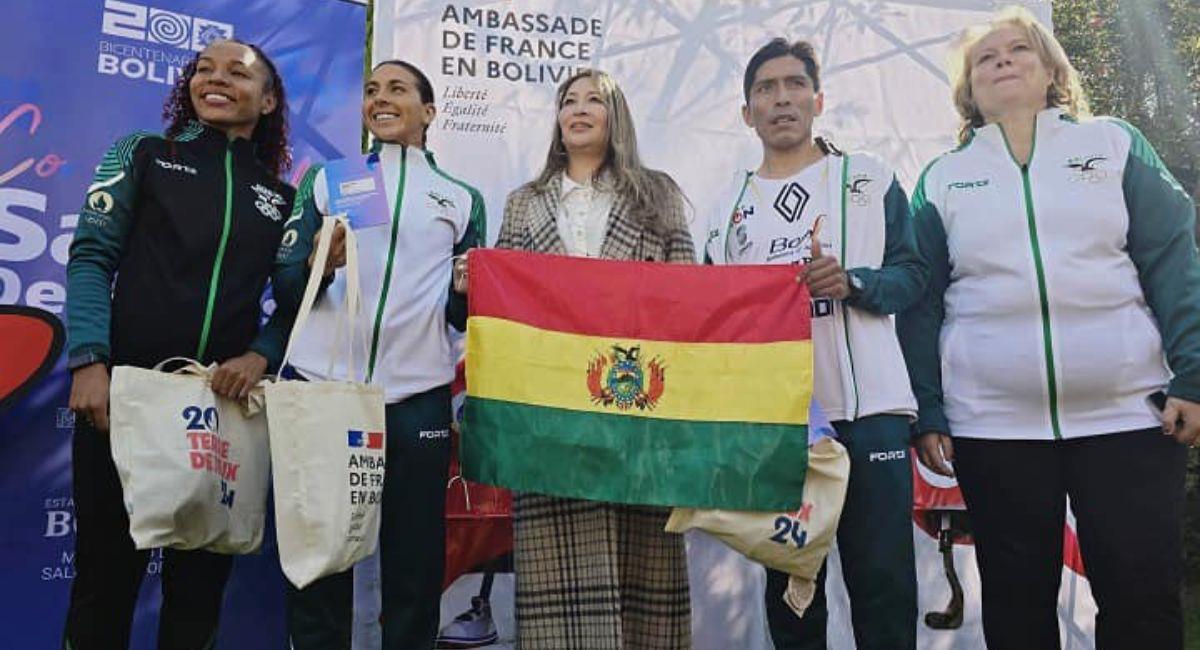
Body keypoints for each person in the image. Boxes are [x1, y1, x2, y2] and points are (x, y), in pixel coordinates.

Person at [898, 7, 1200, 649]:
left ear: (1052, 72)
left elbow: (1173, 259)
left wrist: (1194, 372)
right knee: (1015, 609)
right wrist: (929, 409)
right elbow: (922, 301)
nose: (1003, 61)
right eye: (986, 58)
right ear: (969, 90)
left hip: (1129, 419)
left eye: (1018, 50)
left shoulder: (1114, 143)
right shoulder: (942, 179)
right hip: (993, 427)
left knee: (1142, 601)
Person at [64, 39, 298, 649]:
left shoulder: (282, 198)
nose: (215, 79)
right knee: (104, 583)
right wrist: (90, 359)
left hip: (216, 411)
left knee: (198, 592)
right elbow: (92, 256)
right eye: (203, 69)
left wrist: (261, 354)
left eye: (237, 73)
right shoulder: (144, 152)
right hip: (124, 400)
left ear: (268, 100)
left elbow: (299, 302)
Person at [704, 38, 924, 649]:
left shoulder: (868, 177)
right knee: (793, 596)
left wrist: (853, 282)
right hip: (781, 428)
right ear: (746, 112)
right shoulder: (725, 211)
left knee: (883, 585)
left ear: (817, 98)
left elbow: (914, 276)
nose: (782, 98)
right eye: (765, 89)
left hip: (870, 415)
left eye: (794, 84)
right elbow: (715, 329)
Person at [279, 59, 485, 650]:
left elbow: (458, 316)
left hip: (415, 401)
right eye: (371, 90)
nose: (380, 98)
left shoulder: (461, 198)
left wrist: (466, 295)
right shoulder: (331, 179)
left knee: (414, 566)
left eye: (398, 89)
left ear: (429, 111)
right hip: (331, 392)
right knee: (322, 558)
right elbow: (290, 291)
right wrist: (321, 264)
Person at [493, 68, 695, 649]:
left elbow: (686, 295)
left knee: (646, 579)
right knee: (557, 584)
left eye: (593, 101)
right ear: (557, 119)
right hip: (549, 418)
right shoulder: (523, 203)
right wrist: (471, 282)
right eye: (568, 101)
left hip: (638, 408)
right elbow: (505, 311)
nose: (578, 110)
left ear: (616, 118)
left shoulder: (658, 193)